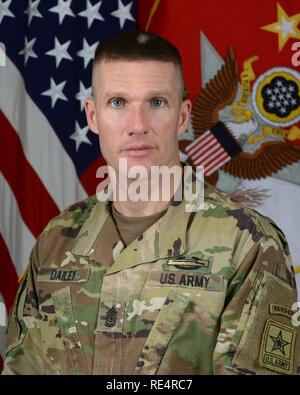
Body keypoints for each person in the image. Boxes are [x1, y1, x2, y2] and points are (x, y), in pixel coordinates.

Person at [2, 31, 300, 375]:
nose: (138, 125)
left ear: (183, 115)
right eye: (118, 103)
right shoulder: (57, 240)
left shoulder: (246, 243)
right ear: (93, 115)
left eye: (156, 102)